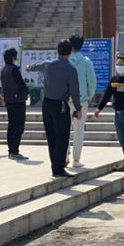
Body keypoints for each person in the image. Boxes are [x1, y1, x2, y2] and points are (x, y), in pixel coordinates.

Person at [36, 40, 82, 177]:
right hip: (60, 104)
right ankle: (59, 168)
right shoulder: (71, 69)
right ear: (70, 52)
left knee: (51, 136)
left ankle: (54, 166)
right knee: (62, 136)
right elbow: (74, 91)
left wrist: (28, 67)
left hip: (46, 103)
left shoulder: (47, 64)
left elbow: (33, 66)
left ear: (57, 51)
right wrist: (78, 108)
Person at [94, 52, 124, 174]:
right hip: (118, 113)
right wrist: (99, 108)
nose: (118, 66)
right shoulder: (114, 80)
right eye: (117, 64)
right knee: (122, 139)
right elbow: (107, 94)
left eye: (120, 64)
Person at [67, 34, 95, 167]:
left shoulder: (65, 60)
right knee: (79, 130)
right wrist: (90, 95)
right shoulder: (86, 61)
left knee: (64, 128)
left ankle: (64, 156)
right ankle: (76, 159)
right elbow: (92, 81)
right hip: (81, 100)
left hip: (65, 99)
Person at [0, 47, 29, 160]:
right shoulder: (14, 69)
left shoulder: (4, 70)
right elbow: (21, 84)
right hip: (18, 100)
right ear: (13, 58)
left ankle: (11, 150)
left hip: (9, 100)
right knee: (19, 126)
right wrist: (27, 91)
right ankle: (15, 150)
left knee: (11, 125)